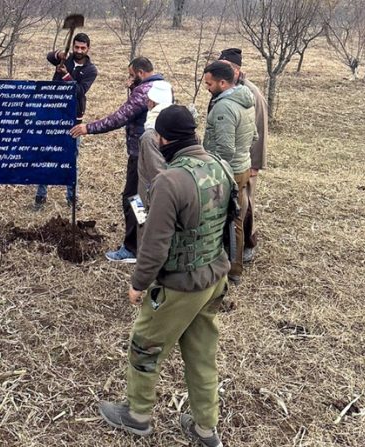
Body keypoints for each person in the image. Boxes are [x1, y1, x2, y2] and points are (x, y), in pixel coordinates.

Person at [98, 105, 232, 447]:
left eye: (157, 136)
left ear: (164, 138)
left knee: (144, 346)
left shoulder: (170, 181)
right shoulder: (221, 165)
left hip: (180, 284)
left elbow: (156, 244)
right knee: (202, 355)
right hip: (214, 277)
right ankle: (206, 429)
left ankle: (138, 415)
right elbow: (234, 223)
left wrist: (138, 284)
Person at [71, 57, 164, 263]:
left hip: (141, 154)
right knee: (144, 198)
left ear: (140, 73)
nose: (129, 78)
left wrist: (88, 128)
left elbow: (120, 117)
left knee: (133, 198)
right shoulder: (162, 86)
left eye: (132, 75)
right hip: (157, 152)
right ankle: (144, 241)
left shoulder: (144, 91)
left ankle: (133, 247)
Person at [202, 61, 257, 284]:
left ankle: (230, 270)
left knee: (225, 220)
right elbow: (254, 136)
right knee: (237, 218)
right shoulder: (245, 100)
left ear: (223, 83)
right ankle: (233, 267)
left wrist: (210, 167)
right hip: (242, 166)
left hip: (227, 172)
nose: (207, 87)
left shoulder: (224, 107)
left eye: (209, 83)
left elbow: (225, 149)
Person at [34, 33, 98, 211]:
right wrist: (59, 55)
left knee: (71, 157)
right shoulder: (67, 59)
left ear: (88, 49)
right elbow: (48, 56)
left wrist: (66, 76)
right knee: (46, 155)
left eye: (82, 48)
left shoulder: (91, 70)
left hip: (73, 119)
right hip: (52, 114)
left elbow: (80, 91)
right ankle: (40, 196)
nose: (78, 51)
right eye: (76, 47)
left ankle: (71, 198)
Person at [217, 48, 268, 263]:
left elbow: (260, 129)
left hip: (246, 161)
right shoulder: (225, 88)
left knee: (246, 204)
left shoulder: (252, 93)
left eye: (227, 68)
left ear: (237, 70)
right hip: (228, 159)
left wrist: (256, 164)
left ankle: (249, 243)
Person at [137, 80, 174, 210]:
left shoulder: (149, 135)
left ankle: (140, 229)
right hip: (161, 193)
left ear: (152, 103)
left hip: (149, 196)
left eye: (148, 101)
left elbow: (156, 173)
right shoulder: (178, 124)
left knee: (143, 224)